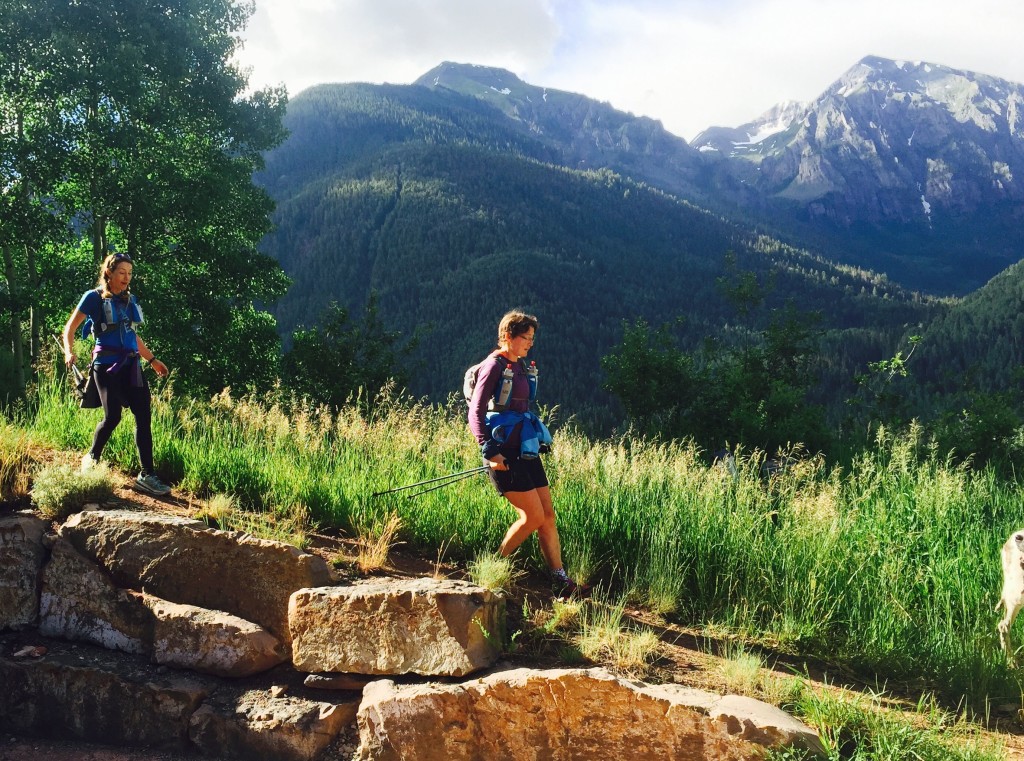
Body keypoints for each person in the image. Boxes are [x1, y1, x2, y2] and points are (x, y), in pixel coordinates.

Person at [468, 309, 588, 598]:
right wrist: (490, 450)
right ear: (507, 336)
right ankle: (490, 568)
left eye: (532, 338)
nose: (530, 343)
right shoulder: (493, 366)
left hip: (525, 448)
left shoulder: (518, 365)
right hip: (504, 453)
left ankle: (561, 580)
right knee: (531, 517)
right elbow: (476, 410)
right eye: (525, 337)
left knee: (547, 515)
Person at [61, 252, 172, 497]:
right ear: (109, 273)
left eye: (130, 273)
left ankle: (146, 475)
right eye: (121, 272)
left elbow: (133, 336)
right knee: (113, 417)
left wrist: (152, 360)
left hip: (132, 367)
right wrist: (69, 352)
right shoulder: (93, 298)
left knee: (143, 416)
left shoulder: (130, 300)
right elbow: (70, 328)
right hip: (106, 366)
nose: (126, 278)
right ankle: (92, 458)